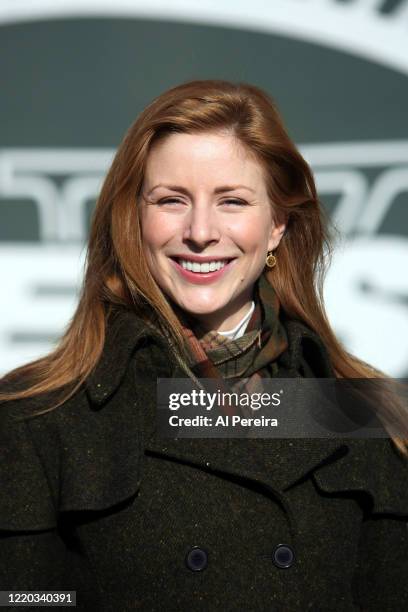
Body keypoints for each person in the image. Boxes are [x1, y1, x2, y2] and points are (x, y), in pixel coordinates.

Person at [1, 79, 407, 612]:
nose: (200, 231)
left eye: (232, 201)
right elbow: (26, 597)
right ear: (133, 219)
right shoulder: (39, 413)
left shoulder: (362, 411)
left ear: (277, 225)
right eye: (171, 200)